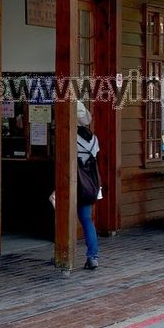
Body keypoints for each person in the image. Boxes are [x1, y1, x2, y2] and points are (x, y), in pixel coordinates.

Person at [49, 100, 101, 270]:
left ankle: (62, 253)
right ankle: (92, 256)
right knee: (87, 220)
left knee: (63, 217)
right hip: (89, 184)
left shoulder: (69, 137)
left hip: (70, 182)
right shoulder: (94, 139)